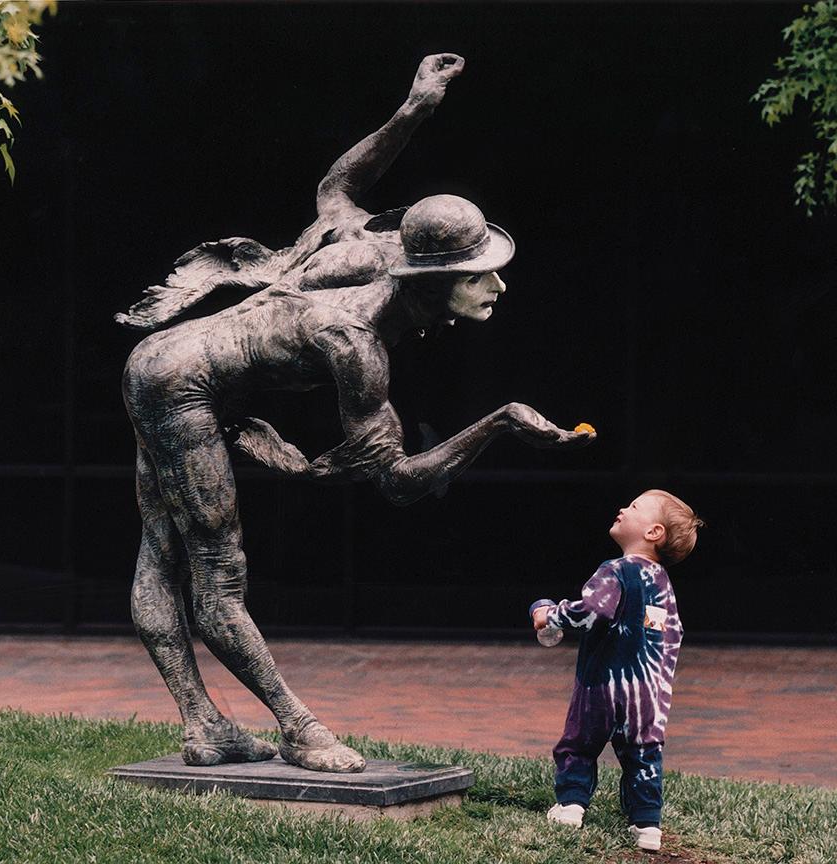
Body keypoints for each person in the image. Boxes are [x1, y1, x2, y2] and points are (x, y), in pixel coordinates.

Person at [118, 53, 595, 774]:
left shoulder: (374, 249)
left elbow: (337, 187)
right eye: (478, 275)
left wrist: (414, 108)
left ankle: (203, 727)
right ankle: (300, 729)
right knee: (216, 572)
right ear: (432, 283)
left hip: (167, 362)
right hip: (179, 384)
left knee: (161, 549)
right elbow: (398, 479)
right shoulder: (357, 344)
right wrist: (499, 423)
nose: (496, 283)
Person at [532, 490, 702, 851]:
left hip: (602, 685)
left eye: (635, 506)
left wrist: (551, 614)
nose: (623, 508)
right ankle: (647, 826)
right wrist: (660, 689)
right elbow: (673, 635)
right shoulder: (663, 584)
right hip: (647, 694)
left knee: (578, 745)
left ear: (654, 533)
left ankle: (571, 806)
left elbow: (594, 611)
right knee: (643, 755)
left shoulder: (615, 570)